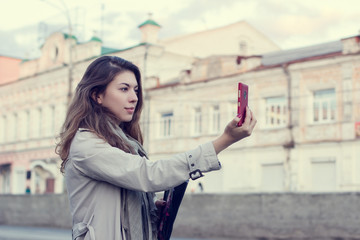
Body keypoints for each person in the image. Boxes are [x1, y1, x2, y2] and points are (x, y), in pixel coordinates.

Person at [55, 56, 257, 240]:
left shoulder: (126, 144)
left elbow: (131, 199)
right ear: (97, 95)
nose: (134, 97)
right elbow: (148, 175)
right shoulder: (86, 143)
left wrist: (149, 210)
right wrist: (225, 140)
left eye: (135, 90)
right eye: (124, 89)